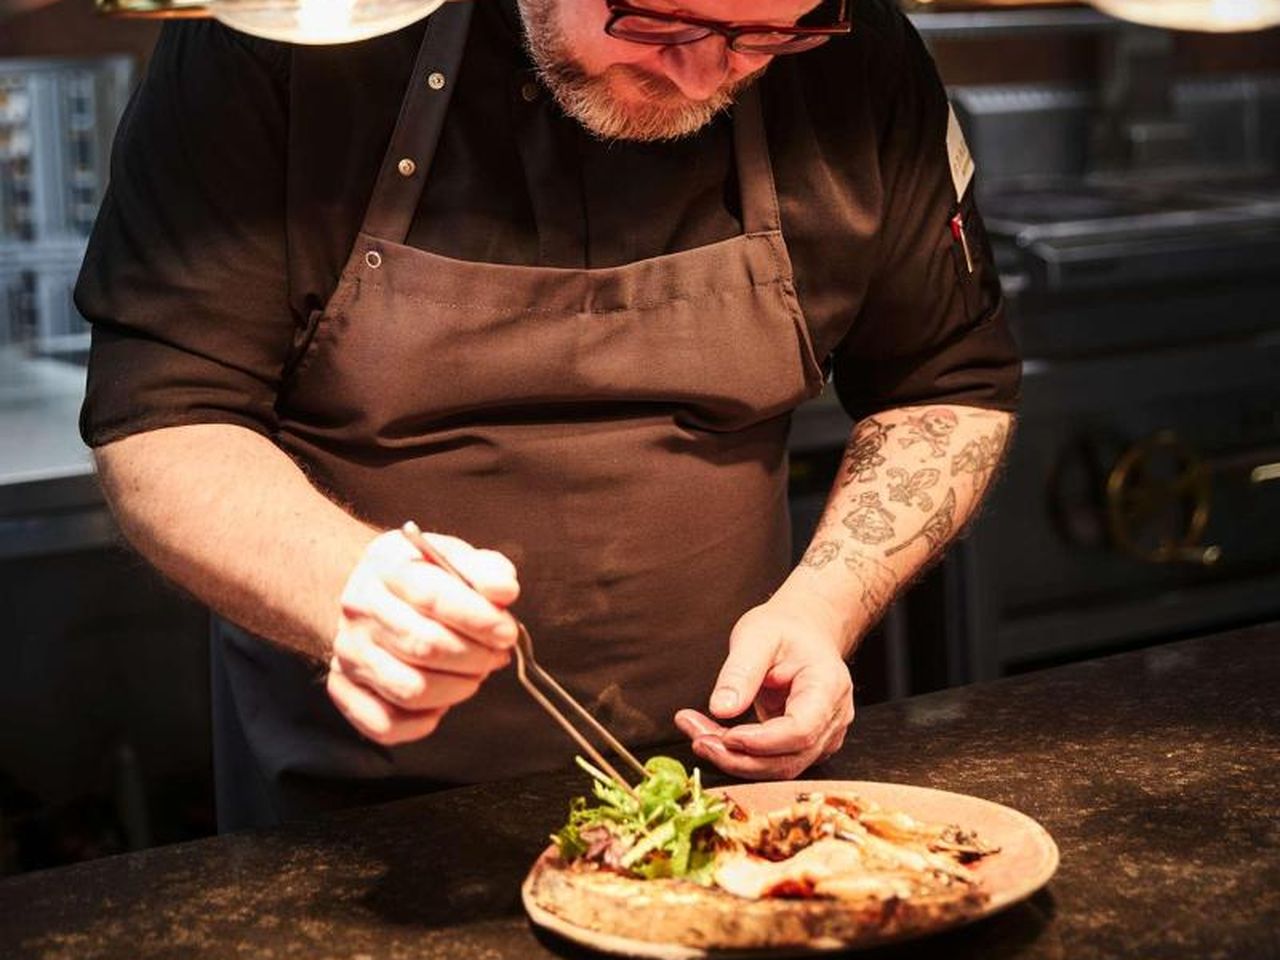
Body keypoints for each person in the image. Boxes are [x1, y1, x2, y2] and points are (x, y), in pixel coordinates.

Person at [76, 0, 1019, 830]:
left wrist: (825, 604)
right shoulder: (293, 30)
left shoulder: (856, 56)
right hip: (350, 824)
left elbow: (945, 382)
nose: (703, 71)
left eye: (761, 37)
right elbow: (163, 418)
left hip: (733, 808)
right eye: (658, 19)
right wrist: (340, 587)